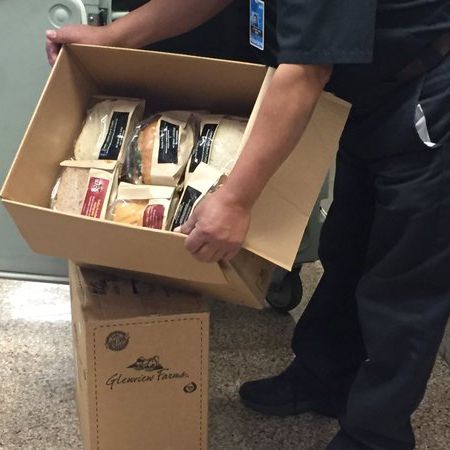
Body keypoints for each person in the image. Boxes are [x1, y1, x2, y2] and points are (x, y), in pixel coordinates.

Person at [46, 1, 450, 448]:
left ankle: (376, 435)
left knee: (403, 282)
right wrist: (115, 37)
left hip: (424, 93)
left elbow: (306, 71)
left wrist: (235, 201)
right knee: (347, 246)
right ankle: (326, 379)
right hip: (365, 91)